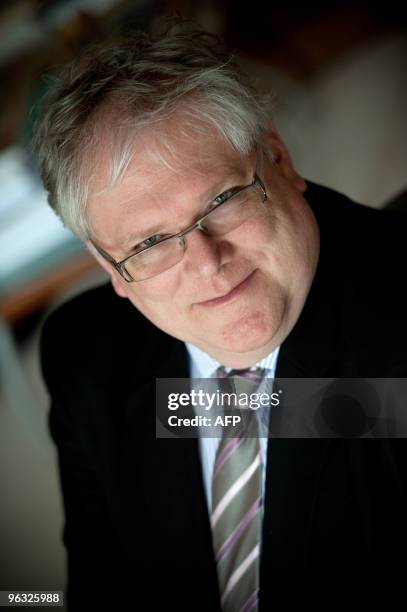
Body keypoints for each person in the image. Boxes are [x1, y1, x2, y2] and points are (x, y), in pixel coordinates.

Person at [33, 21, 407, 611]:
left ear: (280, 161)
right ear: (110, 265)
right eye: (149, 242)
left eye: (221, 201)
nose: (207, 264)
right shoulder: (86, 353)